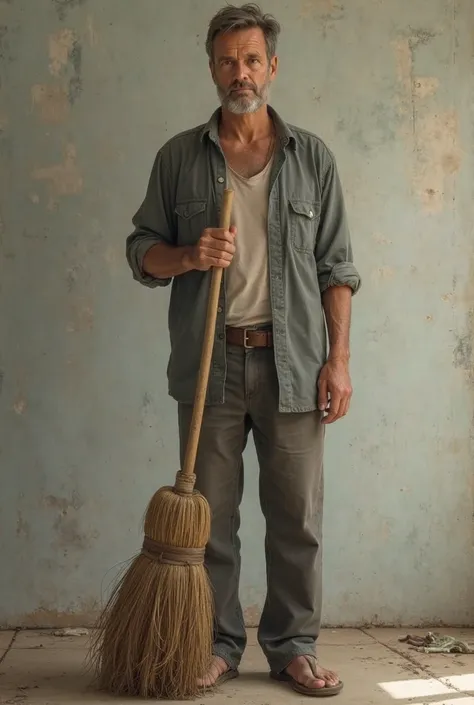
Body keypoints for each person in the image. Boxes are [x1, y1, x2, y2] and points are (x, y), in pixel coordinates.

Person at [126, 2, 361, 697]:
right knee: (210, 518)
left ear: (273, 67)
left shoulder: (311, 157)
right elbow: (141, 254)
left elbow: (338, 269)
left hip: (292, 364)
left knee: (297, 518)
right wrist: (190, 253)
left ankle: (293, 645)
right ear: (211, 68)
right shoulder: (179, 158)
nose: (240, 72)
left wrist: (338, 359)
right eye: (227, 59)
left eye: (252, 58)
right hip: (211, 364)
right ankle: (215, 645)